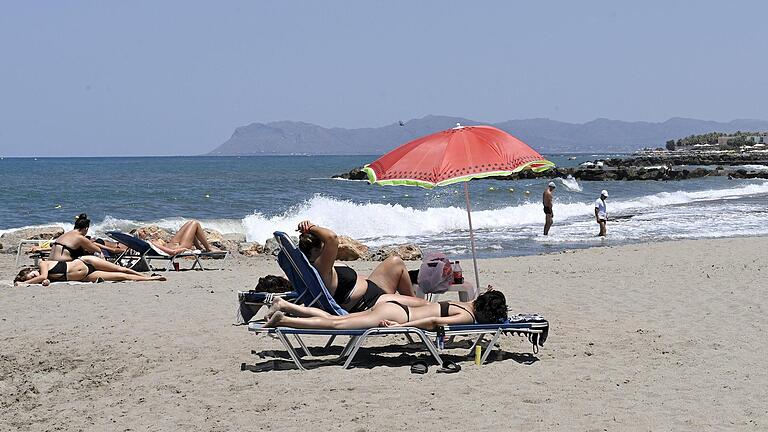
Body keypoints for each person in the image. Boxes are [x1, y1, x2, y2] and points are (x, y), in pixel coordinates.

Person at [296, 220, 415, 313]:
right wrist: (311, 227)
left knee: (395, 262)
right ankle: (416, 312)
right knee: (418, 304)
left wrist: (311, 230)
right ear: (317, 250)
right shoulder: (321, 268)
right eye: (324, 244)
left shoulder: (313, 267)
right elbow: (332, 238)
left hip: (372, 293)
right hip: (369, 305)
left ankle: (414, 307)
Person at [264, 289, 508, 330]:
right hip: (399, 315)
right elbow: (434, 322)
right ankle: (284, 320)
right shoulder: (467, 316)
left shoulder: (465, 303)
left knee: (338, 318)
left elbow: (427, 307)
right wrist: (402, 326)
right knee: (336, 325)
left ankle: (285, 305)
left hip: (395, 305)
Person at [14, 256, 166, 285]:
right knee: (121, 276)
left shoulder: (42, 264)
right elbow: (45, 280)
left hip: (85, 261)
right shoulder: (44, 278)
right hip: (86, 276)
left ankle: (145, 275)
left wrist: (23, 284)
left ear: (29, 270)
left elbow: (42, 277)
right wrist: (46, 282)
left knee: (121, 268)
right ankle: (150, 279)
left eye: (31, 276)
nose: (34, 277)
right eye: (30, 279)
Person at [48, 213, 123, 261]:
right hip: (62, 266)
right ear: (86, 228)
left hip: (50, 264)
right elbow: (97, 250)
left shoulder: (65, 235)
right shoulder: (80, 237)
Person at [147, 220, 221, 255]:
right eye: (143, 232)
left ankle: (199, 247)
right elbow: (172, 252)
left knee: (190, 223)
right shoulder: (151, 243)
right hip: (178, 247)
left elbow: (163, 246)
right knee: (195, 223)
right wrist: (183, 249)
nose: (145, 232)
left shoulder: (149, 242)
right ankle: (209, 249)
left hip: (174, 244)